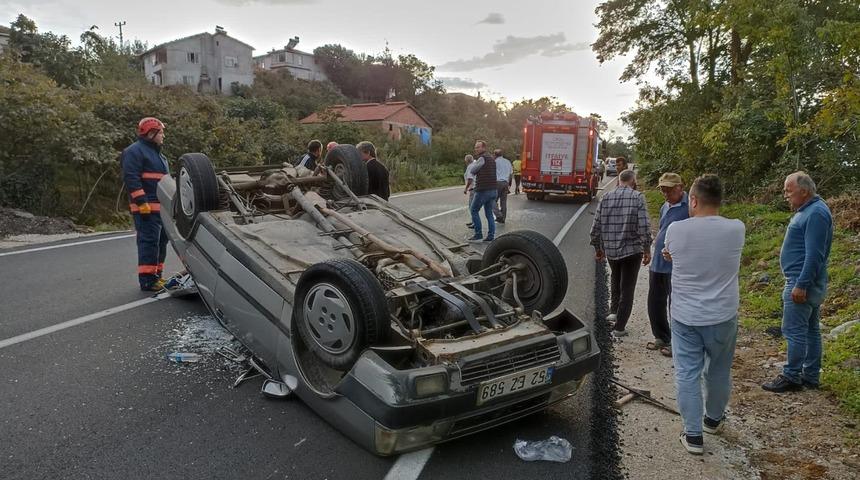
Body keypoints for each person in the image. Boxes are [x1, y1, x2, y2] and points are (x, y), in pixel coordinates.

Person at [663, 174, 745, 455]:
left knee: (687, 374)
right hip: (723, 315)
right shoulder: (737, 229)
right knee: (719, 370)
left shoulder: (676, 229)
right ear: (720, 200)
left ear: (694, 200)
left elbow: (671, 254)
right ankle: (713, 420)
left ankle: (693, 435)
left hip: (686, 317)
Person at [762, 172, 833, 393]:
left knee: (794, 330)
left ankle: (792, 375)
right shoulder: (809, 210)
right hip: (803, 279)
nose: (785, 195)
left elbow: (815, 254)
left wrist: (801, 284)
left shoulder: (816, 213)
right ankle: (810, 376)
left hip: (801, 280)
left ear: (803, 191)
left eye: (788, 190)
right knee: (810, 329)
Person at [590, 169, 652, 337]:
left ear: (619, 181)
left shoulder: (606, 197)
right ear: (633, 181)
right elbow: (644, 227)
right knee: (627, 288)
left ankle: (614, 311)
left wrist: (598, 248)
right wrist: (647, 249)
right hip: (632, 251)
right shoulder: (638, 197)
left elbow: (595, 228)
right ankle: (619, 328)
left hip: (611, 250)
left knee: (615, 278)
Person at [121, 117, 171, 291]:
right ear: (151, 133)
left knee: (161, 242)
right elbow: (131, 178)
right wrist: (142, 203)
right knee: (149, 242)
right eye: (161, 132)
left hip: (161, 209)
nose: (163, 135)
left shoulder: (159, 155)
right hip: (146, 209)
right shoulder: (134, 151)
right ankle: (148, 280)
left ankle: (157, 276)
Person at [646, 173, 689, 357]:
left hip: (676, 265)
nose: (666, 193)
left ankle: (677, 343)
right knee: (654, 303)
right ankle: (661, 336)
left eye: (670, 190)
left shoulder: (690, 207)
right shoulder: (665, 206)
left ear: (680, 187)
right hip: (658, 262)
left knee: (676, 306)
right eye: (663, 190)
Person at [467, 140, 497, 242]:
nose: (476, 149)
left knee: (473, 210)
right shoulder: (492, 158)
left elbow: (473, 170)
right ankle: (491, 235)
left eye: (478, 147)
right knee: (489, 213)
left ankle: (478, 234)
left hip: (483, 190)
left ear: (484, 148)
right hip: (493, 189)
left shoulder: (482, 158)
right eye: (475, 147)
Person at [492, 149, 513, 223]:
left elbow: (492, 173)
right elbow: (510, 174)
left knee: (492, 200)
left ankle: (498, 215)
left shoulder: (494, 162)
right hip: (506, 183)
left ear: (495, 155)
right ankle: (503, 218)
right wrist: (509, 184)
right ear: (502, 154)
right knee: (503, 202)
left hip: (497, 183)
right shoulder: (508, 162)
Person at [463, 154, 476, 228]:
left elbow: (470, 179)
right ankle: (473, 221)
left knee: (472, 207)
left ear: (467, 161)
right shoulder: (475, 165)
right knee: (472, 206)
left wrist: (466, 188)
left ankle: (475, 223)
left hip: (473, 188)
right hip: (475, 188)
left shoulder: (470, 166)